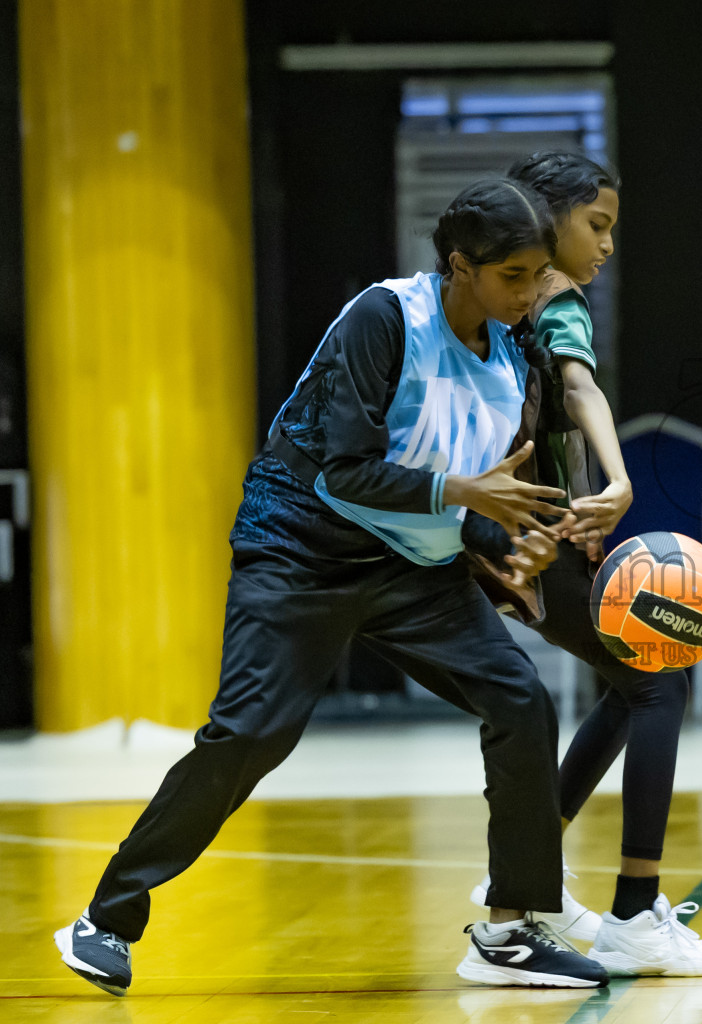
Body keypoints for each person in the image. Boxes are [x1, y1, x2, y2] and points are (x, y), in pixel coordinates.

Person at [54, 177, 611, 995]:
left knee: (520, 700)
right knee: (250, 734)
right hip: (300, 550)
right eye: (514, 276)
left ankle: (511, 929)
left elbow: (461, 472)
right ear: (461, 266)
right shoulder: (384, 320)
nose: (530, 293)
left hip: (410, 565)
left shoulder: (511, 352)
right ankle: (104, 918)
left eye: (537, 276)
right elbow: (347, 471)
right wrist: (467, 499)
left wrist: (512, 543)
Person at [461, 152, 702, 978]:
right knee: (659, 672)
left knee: (634, 684)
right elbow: (579, 389)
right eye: (599, 224)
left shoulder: (486, 299)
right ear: (547, 222)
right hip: (508, 536)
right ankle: (632, 911)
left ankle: (518, 876)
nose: (609, 244)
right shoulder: (554, 297)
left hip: (495, 524)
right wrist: (618, 482)